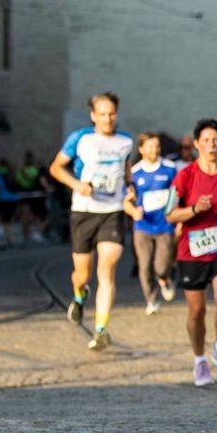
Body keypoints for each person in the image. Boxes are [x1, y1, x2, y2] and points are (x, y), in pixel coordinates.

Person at [48, 92, 134, 351]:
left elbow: (126, 172)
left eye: (112, 113)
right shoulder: (80, 139)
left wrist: (130, 190)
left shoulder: (126, 141)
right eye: (103, 114)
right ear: (93, 115)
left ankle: (100, 329)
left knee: (107, 269)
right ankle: (79, 294)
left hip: (113, 211)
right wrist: (77, 185)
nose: (108, 119)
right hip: (84, 211)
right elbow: (55, 168)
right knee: (82, 274)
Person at [166, 119, 217, 385]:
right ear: (197, 144)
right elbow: (170, 214)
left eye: (216, 140)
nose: (212, 145)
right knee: (197, 311)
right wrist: (193, 210)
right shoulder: (185, 175)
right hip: (192, 250)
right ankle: (200, 360)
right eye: (206, 140)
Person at [124, 132, 179, 316]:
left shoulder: (170, 169)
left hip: (164, 225)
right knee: (144, 265)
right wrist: (132, 209)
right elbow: (127, 199)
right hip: (143, 226)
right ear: (141, 149)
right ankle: (152, 299)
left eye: (156, 146)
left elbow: (178, 193)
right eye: (149, 146)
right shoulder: (134, 172)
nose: (154, 150)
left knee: (160, 266)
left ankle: (164, 278)